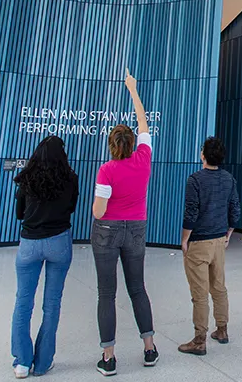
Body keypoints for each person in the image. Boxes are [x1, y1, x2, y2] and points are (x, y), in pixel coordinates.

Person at [91, 70, 159, 375]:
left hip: (108, 231)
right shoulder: (144, 158)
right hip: (136, 229)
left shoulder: (106, 170)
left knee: (107, 293)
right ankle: (149, 349)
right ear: (132, 143)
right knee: (137, 289)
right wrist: (133, 89)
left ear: (111, 145)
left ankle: (109, 358)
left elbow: (98, 211)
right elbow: (143, 121)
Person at [11, 136, 79, 378]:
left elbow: (19, 213)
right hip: (59, 241)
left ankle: (21, 362)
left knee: (23, 302)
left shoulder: (27, 178)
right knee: (52, 304)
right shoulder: (70, 178)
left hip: (29, 243)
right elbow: (71, 208)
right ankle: (43, 363)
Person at [177, 136, 241, 355]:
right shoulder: (228, 179)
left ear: (203, 154)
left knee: (200, 293)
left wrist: (184, 239)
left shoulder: (194, 180)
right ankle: (222, 330)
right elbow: (235, 208)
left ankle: (199, 340)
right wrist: (229, 231)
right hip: (218, 242)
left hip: (198, 242)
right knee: (219, 287)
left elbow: (191, 212)